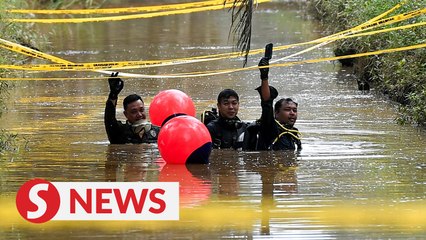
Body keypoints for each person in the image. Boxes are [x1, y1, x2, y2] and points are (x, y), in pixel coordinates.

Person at [256, 57, 302, 151]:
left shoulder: (294, 133)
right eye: (287, 110)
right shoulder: (270, 128)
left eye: (294, 110)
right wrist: (264, 77)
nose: (292, 113)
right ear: (276, 113)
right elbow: (266, 104)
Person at [104, 72, 159, 144]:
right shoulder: (119, 132)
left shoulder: (158, 132)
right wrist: (113, 95)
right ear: (125, 114)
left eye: (141, 110)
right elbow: (109, 119)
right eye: (134, 112)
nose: (139, 114)